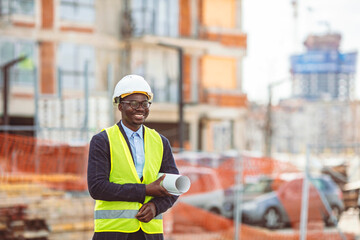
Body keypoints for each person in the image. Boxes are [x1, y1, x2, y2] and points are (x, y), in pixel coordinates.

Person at [87, 74, 179, 240]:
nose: (140, 108)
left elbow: (173, 187)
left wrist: (156, 207)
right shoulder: (103, 140)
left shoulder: (160, 142)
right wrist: (144, 191)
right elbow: (97, 187)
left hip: (149, 234)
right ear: (120, 106)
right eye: (134, 103)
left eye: (145, 103)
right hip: (112, 232)